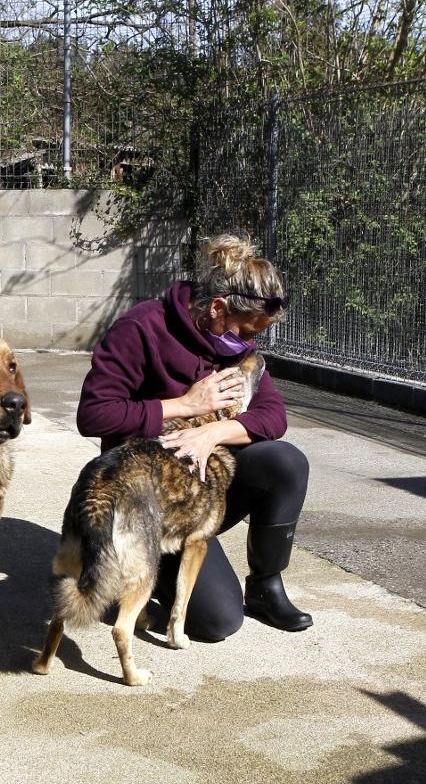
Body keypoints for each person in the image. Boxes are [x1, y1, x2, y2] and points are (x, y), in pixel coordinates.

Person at [76, 233, 312, 640]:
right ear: (218, 308)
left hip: (203, 488)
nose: (248, 344)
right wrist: (183, 405)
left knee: (284, 461)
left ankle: (265, 586)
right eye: (244, 332)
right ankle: (109, 562)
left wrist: (212, 432)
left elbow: (273, 415)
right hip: (148, 497)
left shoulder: (236, 349)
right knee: (217, 622)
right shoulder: (143, 327)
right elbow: (94, 415)